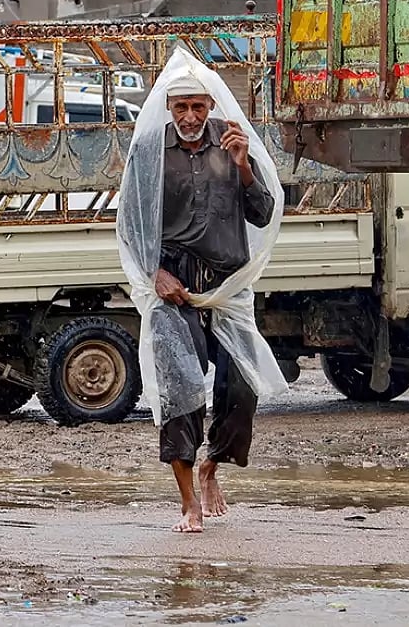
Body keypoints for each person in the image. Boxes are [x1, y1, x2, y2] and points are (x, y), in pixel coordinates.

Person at [150, 67, 275, 533]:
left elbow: (262, 212)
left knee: (241, 385)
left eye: (198, 106)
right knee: (181, 389)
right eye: (181, 107)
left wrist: (243, 166)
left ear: (211, 106)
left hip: (227, 285)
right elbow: (131, 224)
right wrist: (155, 274)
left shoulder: (232, 141)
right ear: (168, 107)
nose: (190, 116)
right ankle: (188, 502)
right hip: (175, 289)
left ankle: (212, 466)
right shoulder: (150, 151)